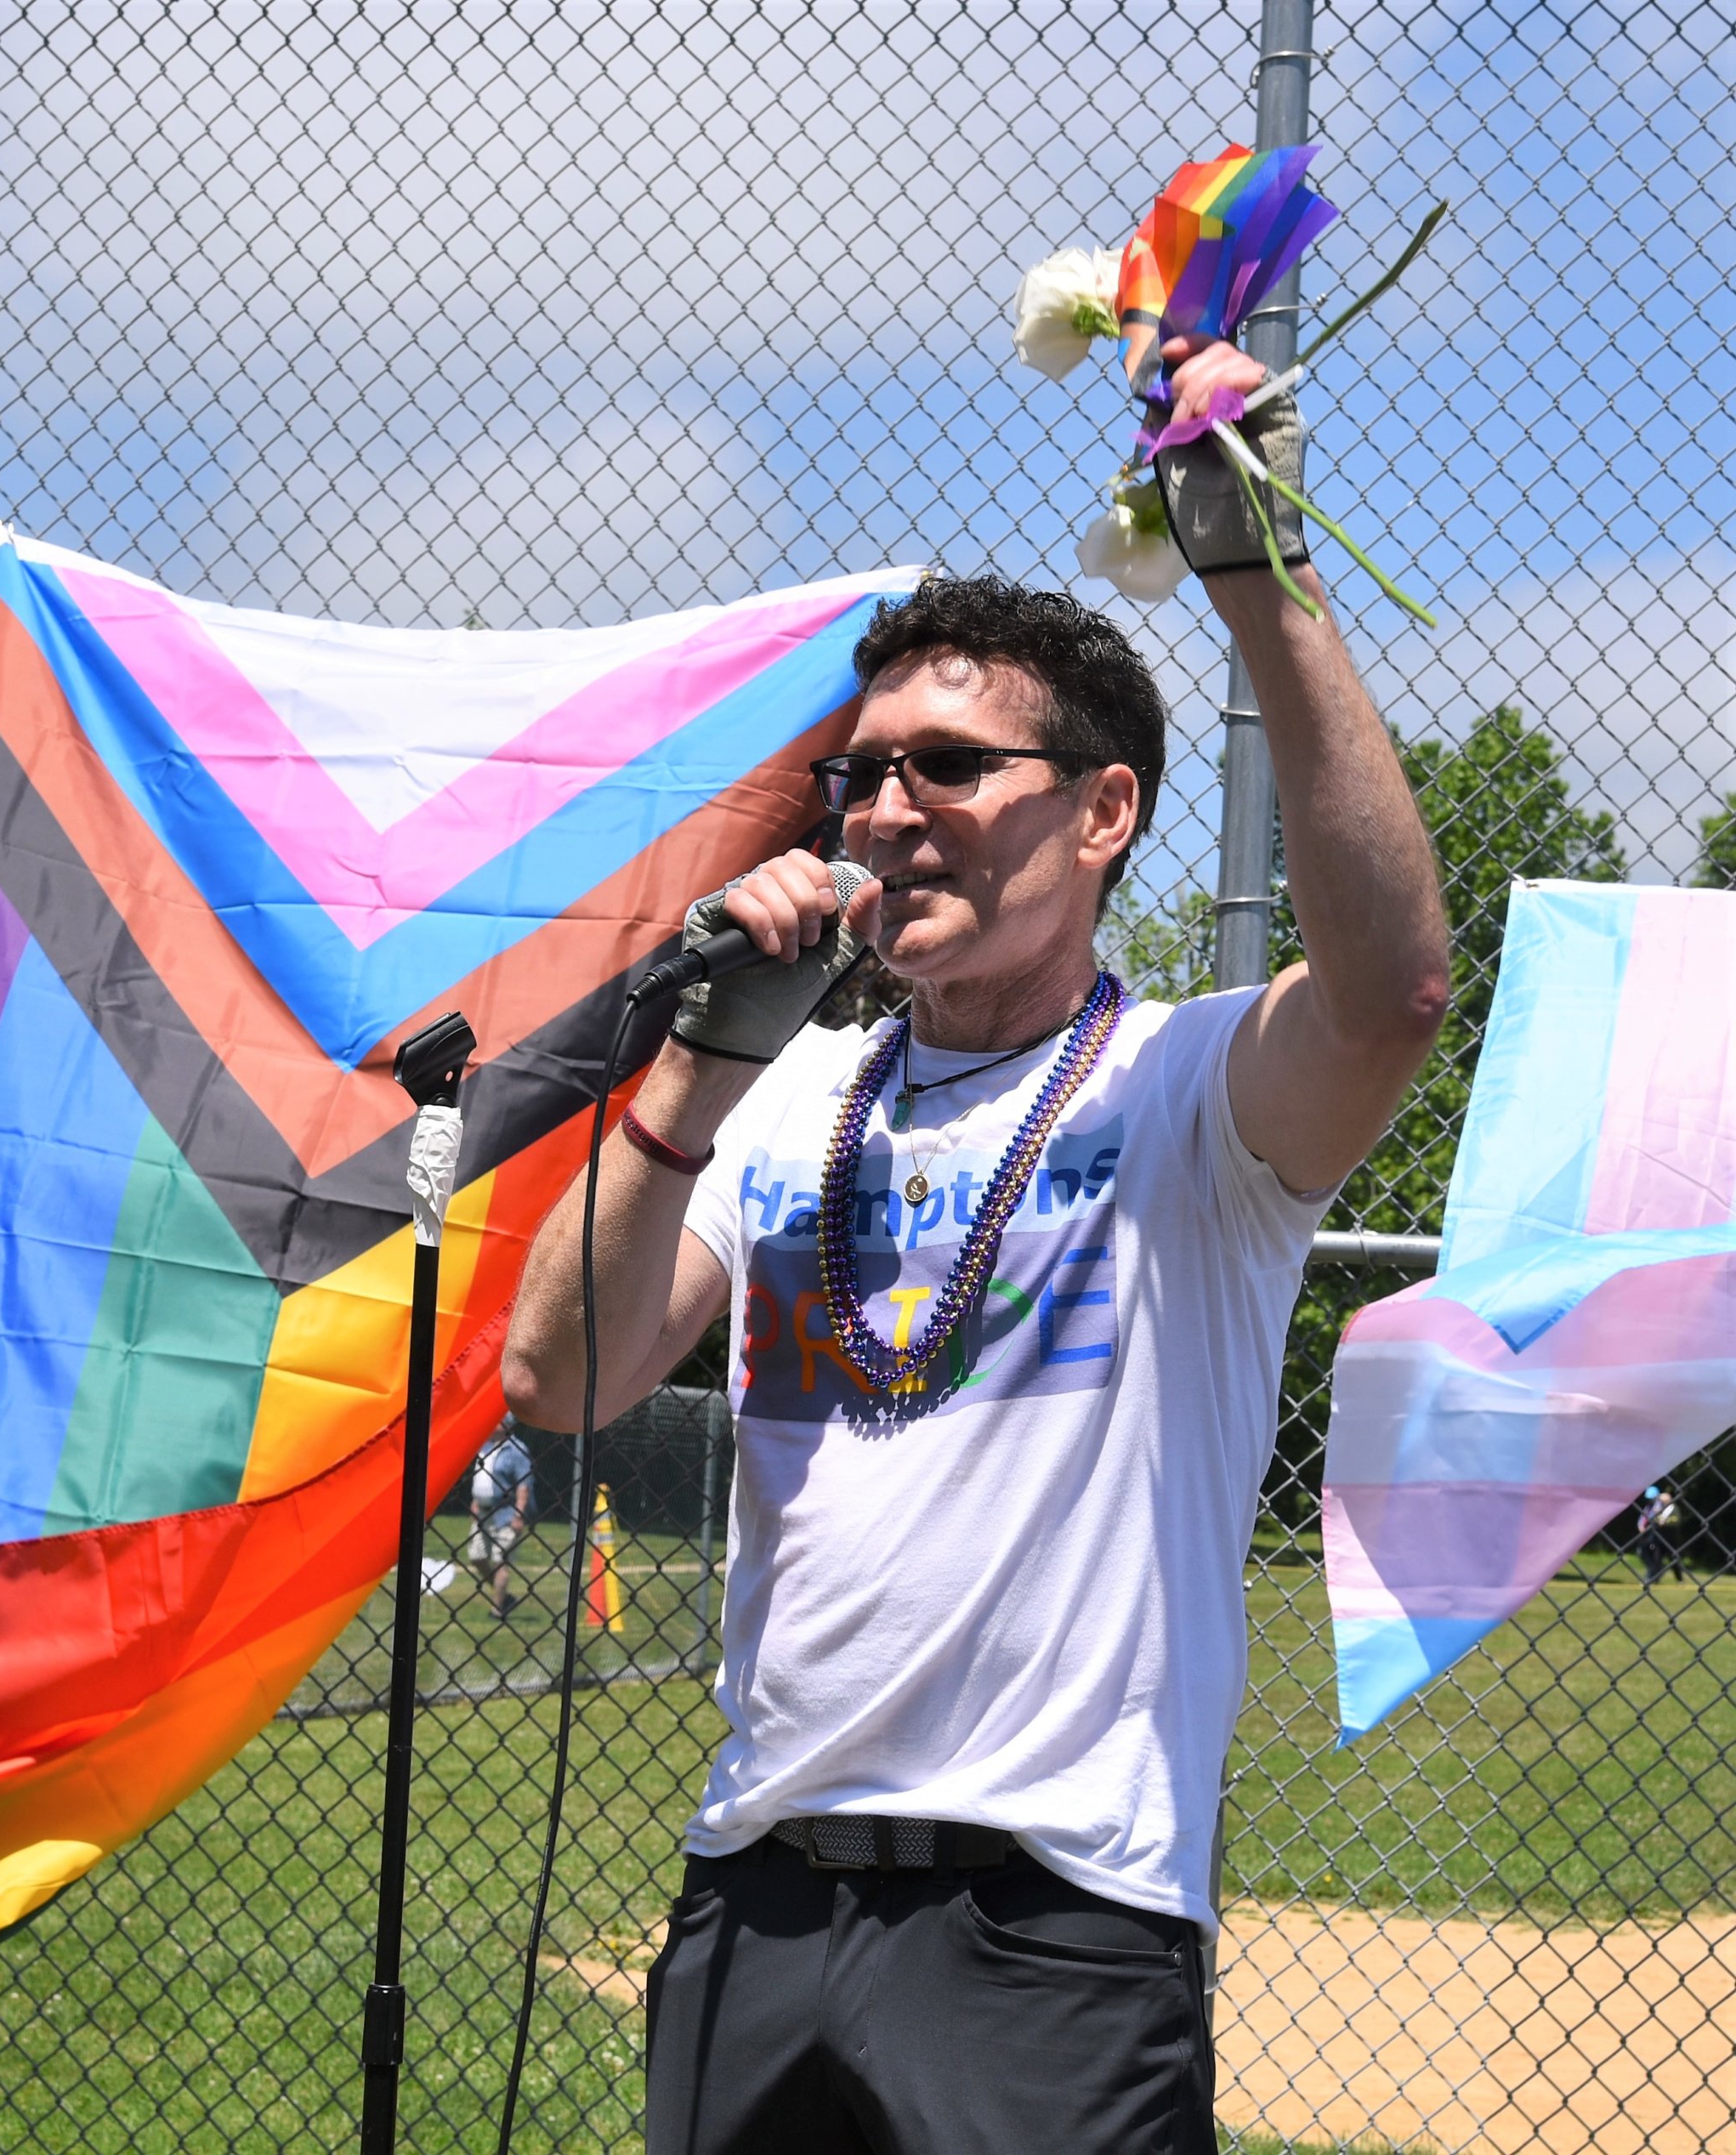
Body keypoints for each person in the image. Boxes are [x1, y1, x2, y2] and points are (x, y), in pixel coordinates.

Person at [502, 334, 1449, 2155]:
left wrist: (1252, 570)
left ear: (1102, 809)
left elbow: (1393, 988)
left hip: (1053, 1919)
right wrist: (705, 1053)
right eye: (857, 775)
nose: (880, 811)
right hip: (756, 1887)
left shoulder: (1189, 1088)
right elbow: (561, 1375)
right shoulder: (779, 1092)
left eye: (945, 762)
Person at [467, 1420, 535, 1619]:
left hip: (506, 1513)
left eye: (494, 1421)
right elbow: (481, 1476)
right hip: (483, 1513)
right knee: (477, 1557)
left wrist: (519, 1514)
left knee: (500, 1561)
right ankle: (504, 1596)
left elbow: (524, 1484)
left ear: (505, 1425)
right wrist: (475, 1501)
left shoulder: (516, 1450)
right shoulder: (485, 1447)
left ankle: (498, 1609)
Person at [1637, 1483, 1679, 1586]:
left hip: (1657, 1535)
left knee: (1656, 1556)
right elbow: (1643, 1517)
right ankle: (1653, 1573)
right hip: (1647, 1535)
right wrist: (1641, 1525)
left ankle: (1652, 1576)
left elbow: (1668, 1519)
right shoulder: (1648, 1507)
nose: (1650, 1500)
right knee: (1643, 1553)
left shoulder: (1662, 1507)